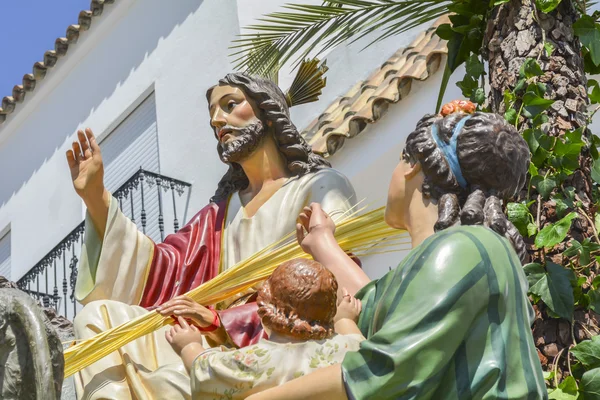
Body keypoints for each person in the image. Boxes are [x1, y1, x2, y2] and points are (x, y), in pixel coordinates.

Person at [67, 72, 357, 399]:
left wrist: (221, 320)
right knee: (97, 317)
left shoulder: (319, 186)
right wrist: (96, 197)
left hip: (282, 340)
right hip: (210, 337)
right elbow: (160, 273)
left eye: (230, 105)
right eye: (213, 116)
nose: (219, 120)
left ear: (267, 111)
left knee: (171, 378)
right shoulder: (218, 215)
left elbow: (336, 282)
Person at [247, 101, 547, 399]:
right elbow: (374, 305)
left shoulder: (463, 247)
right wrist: (322, 242)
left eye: (398, 160)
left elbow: (386, 372)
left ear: (413, 164)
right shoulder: (454, 252)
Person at [165, 258, 364, 399]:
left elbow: (205, 372)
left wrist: (188, 346)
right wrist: (345, 319)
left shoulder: (254, 360)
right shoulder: (346, 348)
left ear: (265, 309)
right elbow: (357, 342)